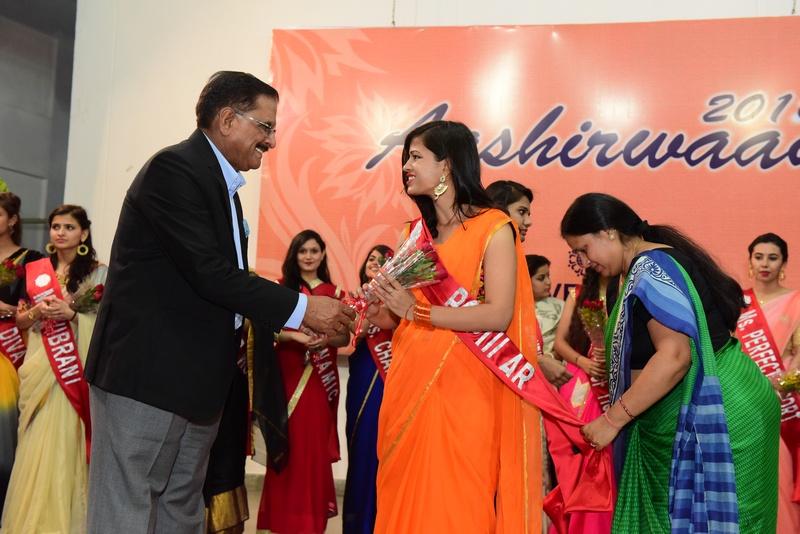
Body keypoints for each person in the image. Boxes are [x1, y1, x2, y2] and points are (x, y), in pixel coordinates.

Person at [84, 71, 353, 533]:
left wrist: (289, 321)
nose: (271, 141)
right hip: (147, 379)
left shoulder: (222, 189)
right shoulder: (174, 171)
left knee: (181, 507)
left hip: (198, 385)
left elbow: (224, 287)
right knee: (127, 508)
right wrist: (305, 308)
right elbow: (210, 273)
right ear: (228, 120)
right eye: (265, 127)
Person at [561, 192, 780, 533]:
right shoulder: (636, 270)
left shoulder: (651, 269)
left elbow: (675, 356)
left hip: (722, 415)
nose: (584, 261)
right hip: (705, 407)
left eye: (584, 249)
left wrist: (612, 420)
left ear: (608, 232)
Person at [365, 121, 543, 532]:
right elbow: (400, 315)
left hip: (466, 385)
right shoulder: (413, 234)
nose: (406, 166)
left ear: (446, 164)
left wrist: (419, 313)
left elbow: (497, 315)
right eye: (406, 157)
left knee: (459, 498)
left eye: (416, 156)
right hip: (408, 378)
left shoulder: (494, 227)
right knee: (401, 491)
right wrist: (381, 313)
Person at [2, 205, 106, 533]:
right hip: (38, 364)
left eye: (69, 227)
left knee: (65, 443)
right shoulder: (37, 270)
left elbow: (105, 324)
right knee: (33, 441)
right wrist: (37, 312)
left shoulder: (97, 274)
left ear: (83, 234)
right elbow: (21, 320)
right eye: (56, 226)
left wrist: (71, 315)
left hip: (70, 371)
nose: (60, 232)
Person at [256, 230, 349, 534]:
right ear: (294, 255)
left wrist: (326, 340)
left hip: (319, 383)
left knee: (311, 448)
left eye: (314, 250)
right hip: (285, 379)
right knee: (286, 445)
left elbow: (344, 337)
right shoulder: (281, 290)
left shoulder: (335, 294)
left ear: (322, 254)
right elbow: (266, 331)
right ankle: (281, 522)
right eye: (302, 251)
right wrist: (293, 337)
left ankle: (308, 523)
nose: (308, 256)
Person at [739, 233, 800, 533]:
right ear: (750, 261)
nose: (765, 264)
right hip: (741, 404)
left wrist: (782, 384)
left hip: (782, 405)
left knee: (779, 477)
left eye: (773, 258)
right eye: (759, 257)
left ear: (783, 264)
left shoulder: (796, 303)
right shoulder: (737, 302)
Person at [549, 268, 618, 533]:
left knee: (609, 462)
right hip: (580, 383)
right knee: (578, 457)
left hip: (613, 387)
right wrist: (584, 362)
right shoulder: (576, 294)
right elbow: (559, 344)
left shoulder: (627, 292)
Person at [342, 244, 393, 534]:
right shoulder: (354, 299)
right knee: (361, 449)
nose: (375, 263)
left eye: (383, 261)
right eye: (371, 258)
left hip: (390, 382)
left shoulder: (398, 303)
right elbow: (354, 333)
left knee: (383, 453)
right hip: (363, 378)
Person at [0, 192, 44, 524]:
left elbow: (36, 308)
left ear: (13, 220)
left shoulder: (31, 259)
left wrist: (8, 309)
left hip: (11, 352)